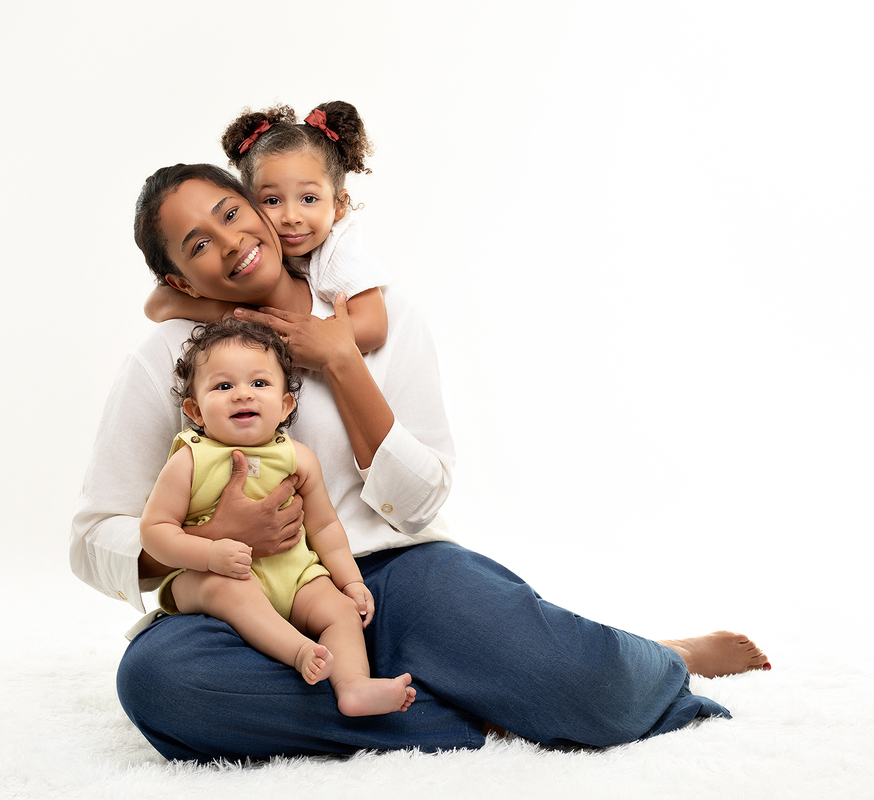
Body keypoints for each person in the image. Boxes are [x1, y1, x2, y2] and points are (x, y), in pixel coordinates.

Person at [70, 162, 770, 763]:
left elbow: (420, 500)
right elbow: (92, 535)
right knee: (161, 681)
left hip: (397, 576)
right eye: (199, 243)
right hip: (241, 604)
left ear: (257, 206)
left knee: (592, 688)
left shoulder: (378, 315)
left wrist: (342, 361)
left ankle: (655, 657)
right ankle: (479, 713)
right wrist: (209, 542)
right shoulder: (166, 359)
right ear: (180, 277)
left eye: (231, 213)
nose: (230, 242)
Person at [140, 318, 415, 716]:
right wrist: (209, 554)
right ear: (195, 410)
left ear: (286, 405)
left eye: (259, 383)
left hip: (294, 574)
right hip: (211, 576)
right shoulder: (189, 460)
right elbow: (154, 531)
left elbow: (324, 526)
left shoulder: (297, 457)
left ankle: (353, 686)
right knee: (227, 591)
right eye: (223, 386)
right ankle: (301, 651)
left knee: (339, 611)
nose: (242, 394)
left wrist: (350, 581)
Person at [144, 101, 390, 355]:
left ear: (339, 205)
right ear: (250, 201)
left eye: (308, 199)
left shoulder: (338, 248)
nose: (291, 217)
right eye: (272, 201)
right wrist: (227, 313)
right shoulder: (263, 243)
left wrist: (301, 340)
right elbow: (156, 304)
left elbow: (373, 328)